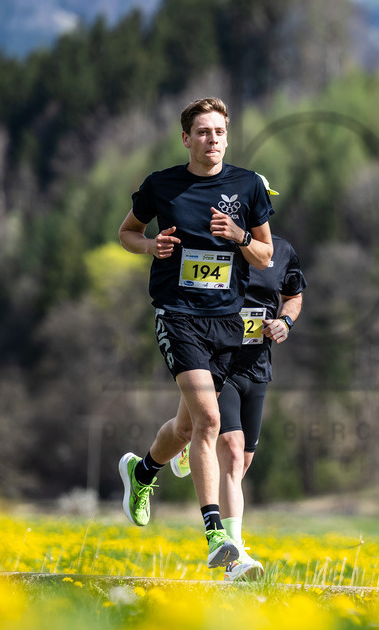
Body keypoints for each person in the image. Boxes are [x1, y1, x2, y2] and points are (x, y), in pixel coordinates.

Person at [116, 96, 274, 570]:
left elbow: (266, 255)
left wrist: (240, 237)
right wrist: (150, 245)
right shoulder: (161, 185)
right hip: (178, 314)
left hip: (227, 321)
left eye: (220, 132)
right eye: (203, 132)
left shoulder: (247, 186)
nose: (213, 140)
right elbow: (126, 232)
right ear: (186, 138)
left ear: (228, 136)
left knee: (185, 428)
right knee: (208, 421)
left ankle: (142, 471)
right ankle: (216, 539)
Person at [170, 226, 307, 583]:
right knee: (231, 450)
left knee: (241, 462)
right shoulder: (211, 243)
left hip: (257, 366)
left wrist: (286, 322)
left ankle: (188, 446)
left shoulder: (282, 249)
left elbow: (294, 294)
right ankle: (234, 555)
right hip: (217, 361)